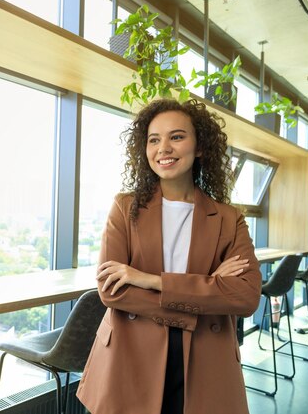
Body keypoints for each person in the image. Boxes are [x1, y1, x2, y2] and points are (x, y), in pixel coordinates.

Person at [76, 98, 261, 414]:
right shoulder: (125, 207)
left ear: (199, 146)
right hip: (130, 355)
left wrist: (149, 280)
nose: (164, 148)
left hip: (205, 358)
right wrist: (210, 286)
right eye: (154, 139)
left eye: (176, 137)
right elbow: (112, 291)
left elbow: (245, 297)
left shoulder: (229, 219)